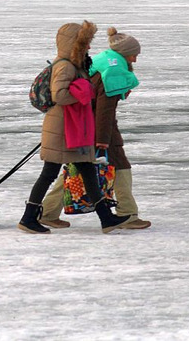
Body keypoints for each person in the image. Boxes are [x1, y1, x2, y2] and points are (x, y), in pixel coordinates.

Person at [19, 21, 132, 234]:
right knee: (49, 173)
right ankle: (27, 218)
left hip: (72, 128)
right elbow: (59, 95)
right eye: (86, 43)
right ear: (74, 44)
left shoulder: (74, 65)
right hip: (62, 129)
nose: (89, 47)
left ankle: (106, 219)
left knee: (88, 172)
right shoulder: (65, 65)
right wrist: (84, 93)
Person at [40, 28, 151, 230]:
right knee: (119, 166)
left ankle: (47, 211)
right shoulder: (114, 71)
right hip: (97, 128)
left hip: (84, 124)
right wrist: (103, 139)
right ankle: (128, 214)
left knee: (80, 169)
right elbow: (104, 109)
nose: (135, 60)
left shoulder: (103, 62)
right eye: (134, 54)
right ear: (125, 53)